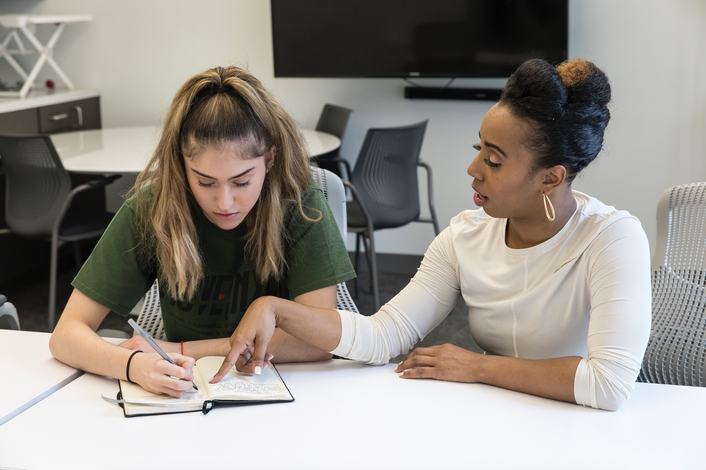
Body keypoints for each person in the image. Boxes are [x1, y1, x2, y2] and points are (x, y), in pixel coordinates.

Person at [212, 58, 652, 412]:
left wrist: (480, 367)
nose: (474, 169)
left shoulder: (612, 239)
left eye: (494, 161)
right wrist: (276, 308)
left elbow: (609, 384)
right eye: (477, 148)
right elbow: (383, 336)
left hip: (582, 429)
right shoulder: (466, 236)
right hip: (500, 418)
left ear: (551, 178)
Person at [49, 66, 355, 397]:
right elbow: (66, 335)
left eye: (242, 181)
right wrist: (135, 366)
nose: (224, 202)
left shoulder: (301, 205)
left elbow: (320, 342)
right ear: (181, 164)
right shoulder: (152, 207)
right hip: (189, 392)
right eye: (204, 181)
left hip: (287, 384)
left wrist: (183, 348)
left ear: (270, 158)